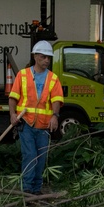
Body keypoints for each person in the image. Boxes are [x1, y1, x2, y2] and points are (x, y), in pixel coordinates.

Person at [8, 40, 64, 195]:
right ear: (35, 56)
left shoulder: (53, 78)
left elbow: (57, 100)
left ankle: (36, 189)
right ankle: (27, 188)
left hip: (44, 125)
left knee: (41, 157)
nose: (46, 60)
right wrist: (12, 114)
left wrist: (55, 116)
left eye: (48, 57)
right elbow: (13, 98)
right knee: (30, 155)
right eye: (43, 56)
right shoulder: (23, 75)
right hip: (26, 123)